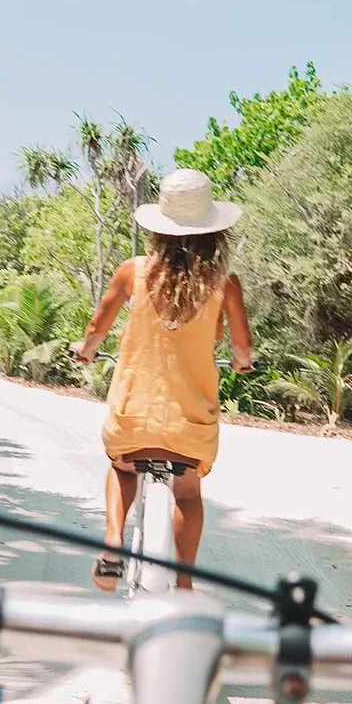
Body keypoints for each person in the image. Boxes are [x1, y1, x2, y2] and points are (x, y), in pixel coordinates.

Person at [69, 168, 253, 591]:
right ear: (214, 233)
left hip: (133, 414)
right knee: (187, 493)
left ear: (160, 230)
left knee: (122, 467)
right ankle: (184, 585)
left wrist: (86, 349)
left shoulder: (132, 272)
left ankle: (113, 541)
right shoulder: (225, 285)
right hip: (190, 423)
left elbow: (97, 326)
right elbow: (242, 347)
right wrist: (242, 362)